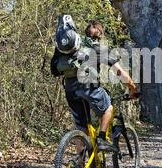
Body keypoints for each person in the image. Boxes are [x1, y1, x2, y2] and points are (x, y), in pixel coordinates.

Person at [52, 17, 139, 152]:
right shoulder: (98, 49)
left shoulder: (70, 48)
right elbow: (120, 72)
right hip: (88, 87)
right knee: (108, 108)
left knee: (82, 129)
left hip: (70, 90)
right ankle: (102, 139)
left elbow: (54, 70)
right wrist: (133, 88)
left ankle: (78, 164)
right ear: (99, 33)